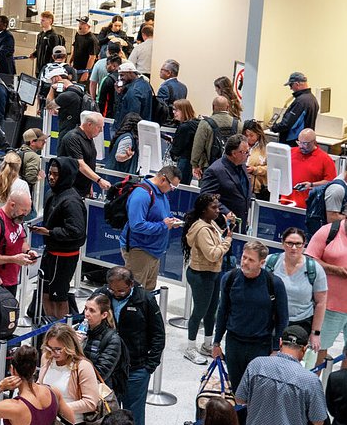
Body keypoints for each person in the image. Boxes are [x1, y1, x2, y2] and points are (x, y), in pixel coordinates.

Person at [95, 268, 165, 425]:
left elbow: (158, 334)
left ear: (131, 285)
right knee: (108, 416)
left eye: (121, 291)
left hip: (136, 370)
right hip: (109, 370)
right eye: (113, 290)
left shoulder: (145, 299)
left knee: (134, 419)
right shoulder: (102, 296)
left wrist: (150, 365)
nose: (116, 294)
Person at [214, 240, 290, 390]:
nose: (245, 262)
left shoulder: (274, 284)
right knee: (236, 388)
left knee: (257, 389)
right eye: (244, 257)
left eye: (251, 259)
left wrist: (276, 348)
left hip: (260, 345)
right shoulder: (230, 279)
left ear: (261, 262)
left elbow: (282, 318)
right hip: (234, 343)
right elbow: (222, 312)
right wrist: (216, 343)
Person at [40, 323, 106, 425]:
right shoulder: (47, 359)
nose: (53, 353)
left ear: (69, 347)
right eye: (49, 348)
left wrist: (61, 406)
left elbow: (91, 402)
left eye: (58, 349)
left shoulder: (82, 366)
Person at [307, 204, 347, 367]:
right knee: (318, 349)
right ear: (345, 219)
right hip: (328, 308)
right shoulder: (329, 231)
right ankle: (311, 388)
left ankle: (346, 390)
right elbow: (309, 259)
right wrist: (333, 269)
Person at [180, 192, 233, 364]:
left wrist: (224, 234)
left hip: (213, 272)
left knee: (212, 311)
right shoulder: (202, 229)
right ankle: (190, 347)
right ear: (204, 210)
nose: (218, 211)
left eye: (218, 207)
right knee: (199, 312)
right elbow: (212, 254)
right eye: (214, 207)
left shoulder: (211, 224)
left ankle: (208, 344)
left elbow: (216, 243)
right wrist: (227, 242)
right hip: (201, 274)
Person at [35, 158, 87, 320]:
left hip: (63, 257)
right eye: (50, 173)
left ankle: (61, 333)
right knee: (45, 292)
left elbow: (77, 231)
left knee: (58, 296)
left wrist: (50, 232)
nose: (51, 177)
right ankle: (50, 328)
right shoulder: (53, 193)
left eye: (55, 174)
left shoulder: (71, 201)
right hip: (50, 252)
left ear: (65, 175)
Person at [121, 164, 184, 291]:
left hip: (154, 251)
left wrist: (171, 220)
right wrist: (163, 226)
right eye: (172, 186)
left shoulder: (161, 192)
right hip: (139, 250)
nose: (172, 190)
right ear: (162, 179)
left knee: (148, 291)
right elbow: (137, 225)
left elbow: (162, 214)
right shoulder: (142, 195)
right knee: (135, 292)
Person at [268, 225, 328, 343]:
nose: (294, 248)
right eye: (289, 243)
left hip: (301, 324)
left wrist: (315, 333)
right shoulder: (270, 262)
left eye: (298, 244)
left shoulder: (314, 269)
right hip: (271, 322)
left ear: (304, 245)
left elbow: (321, 302)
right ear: (282, 243)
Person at [0, 189, 37, 293]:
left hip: (12, 280)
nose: (24, 214)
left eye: (27, 211)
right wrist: (13, 259)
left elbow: (22, 241)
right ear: (12, 205)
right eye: (23, 210)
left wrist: (28, 252)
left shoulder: (17, 220)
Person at [81, 293, 129, 390]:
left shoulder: (112, 339)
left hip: (96, 389)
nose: (86, 313)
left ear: (104, 315)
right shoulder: (78, 330)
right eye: (86, 308)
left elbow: (101, 373)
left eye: (92, 311)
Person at [60, 112, 112, 195]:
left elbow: (89, 161)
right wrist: (99, 180)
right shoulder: (72, 138)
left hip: (83, 189)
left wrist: (89, 184)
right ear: (89, 124)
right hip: (70, 190)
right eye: (99, 127)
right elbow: (80, 164)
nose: (101, 130)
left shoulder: (89, 138)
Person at [268, 70, 319, 145]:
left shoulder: (301, 101)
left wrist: (273, 128)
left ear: (297, 84)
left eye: (291, 85)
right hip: (305, 142)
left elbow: (287, 124)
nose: (291, 88)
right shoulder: (312, 99)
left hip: (293, 142)